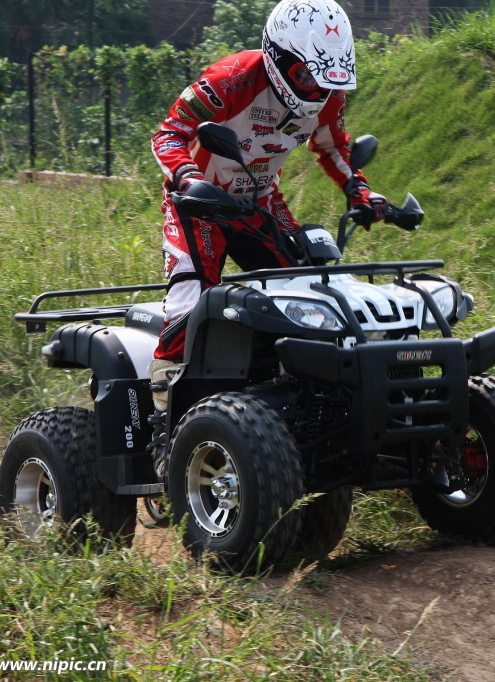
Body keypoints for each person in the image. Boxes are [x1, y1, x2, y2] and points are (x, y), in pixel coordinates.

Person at [147, 0, 387, 414]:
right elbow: (169, 134)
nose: (317, 90)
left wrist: (359, 191)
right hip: (199, 204)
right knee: (192, 299)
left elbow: (333, 146)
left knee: (309, 293)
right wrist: (189, 178)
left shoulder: (326, 97)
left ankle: (298, 399)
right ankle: (164, 408)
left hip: (260, 201)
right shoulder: (231, 78)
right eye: (306, 76)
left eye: (328, 79)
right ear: (278, 55)